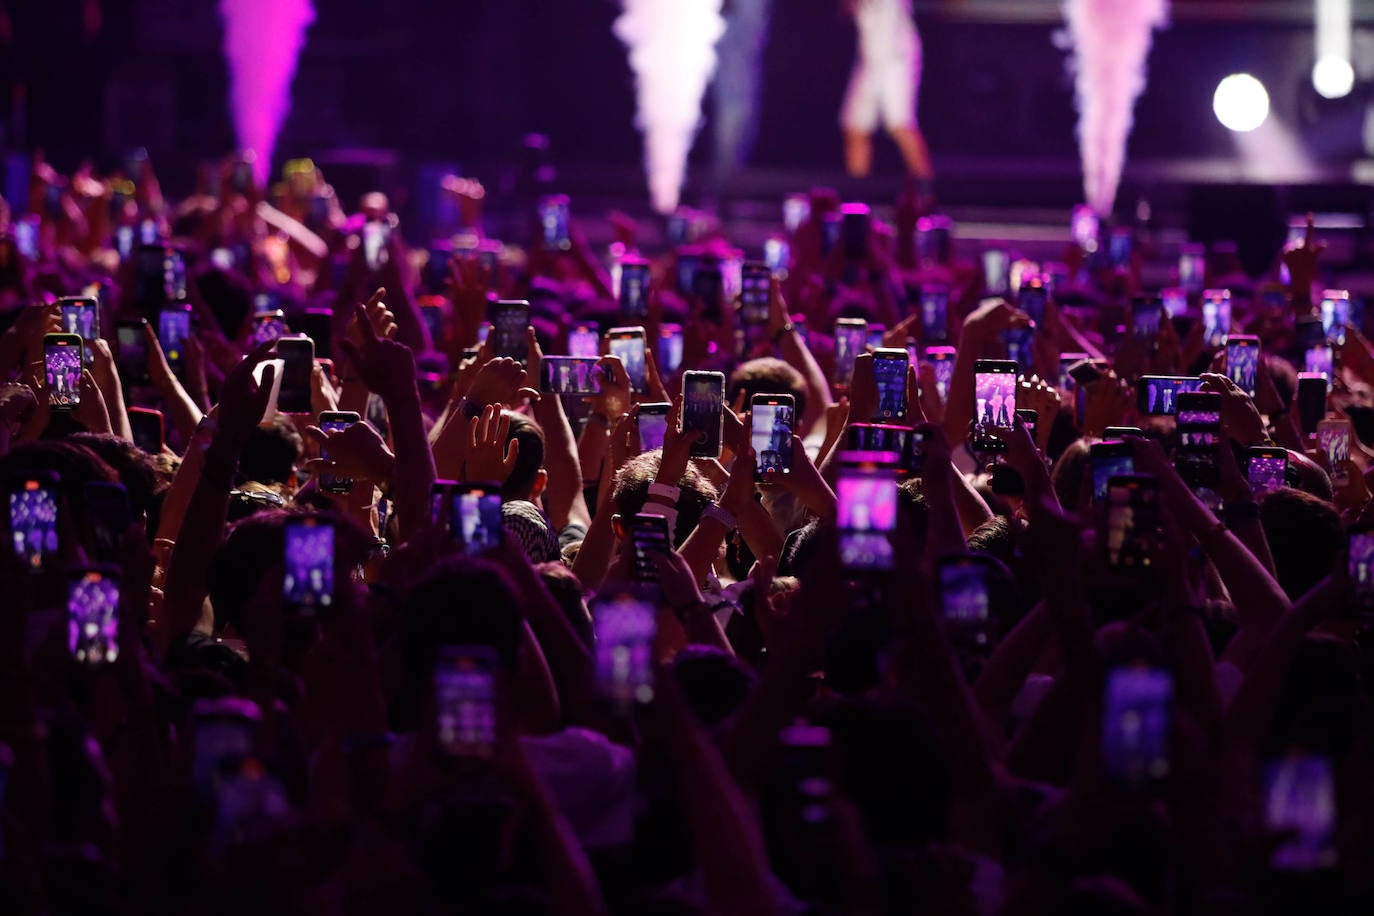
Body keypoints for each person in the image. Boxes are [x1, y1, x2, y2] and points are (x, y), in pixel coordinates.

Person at [839, 0, 933, 183]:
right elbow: (847, 12)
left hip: (897, 58)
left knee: (900, 125)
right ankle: (859, 192)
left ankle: (926, 190)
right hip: (869, 58)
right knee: (855, 127)